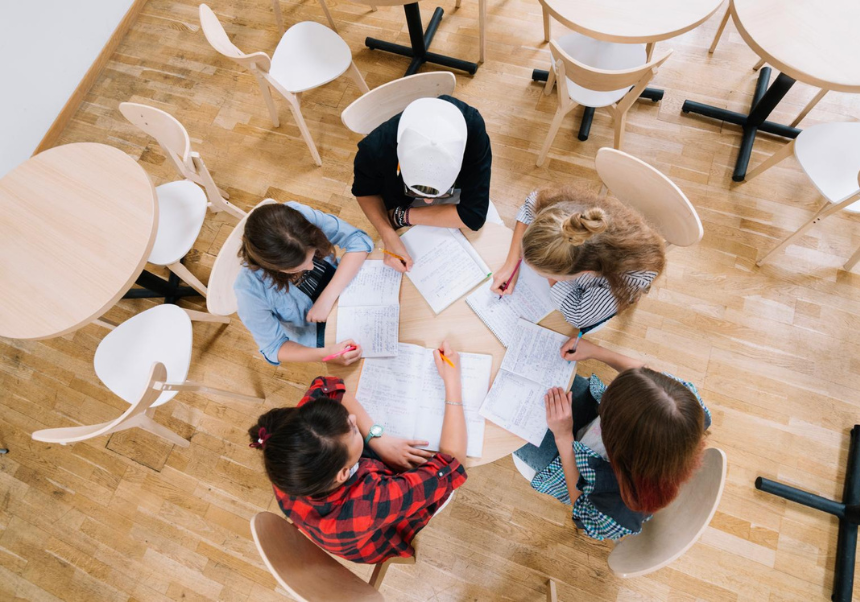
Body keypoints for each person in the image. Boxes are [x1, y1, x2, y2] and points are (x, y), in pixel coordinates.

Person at [248, 341, 468, 564]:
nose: (353, 418)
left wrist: (377, 438)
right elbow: (452, 464)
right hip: (375, 537)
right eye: (353, 429)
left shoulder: (287, 451)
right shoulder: (369, 503)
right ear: (343, 474)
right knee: (440, 485)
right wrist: (452, 383)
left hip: (328, 517)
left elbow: (328, 389)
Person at [515, 339, 711, 541]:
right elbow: (647, 378)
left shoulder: (619, 509)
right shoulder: (687, 408)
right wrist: (596, 352)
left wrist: (563, 437)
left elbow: (583, 509)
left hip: (568, 463)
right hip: (585, 435)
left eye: (607, 411)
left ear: (616, 440)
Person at [490, 186, 665, 337]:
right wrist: (511, 263)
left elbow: (578, 315)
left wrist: (550, 275)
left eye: (544, 274)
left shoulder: (630, 276)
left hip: (628, 271)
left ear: (585, 272)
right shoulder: (563, 213)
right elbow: (531, 202)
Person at [352, 96, 493, 273]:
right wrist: (388, 235)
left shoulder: (471, 126)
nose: (428, 202)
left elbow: (474, 215)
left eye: (441, 193)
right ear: (399, 164)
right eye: (414, 190)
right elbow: (365, 192)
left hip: (401, 213)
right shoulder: (374, 149)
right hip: (396, 202)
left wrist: (402, 216)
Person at [234, 201, 372, 366]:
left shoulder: (298, 220)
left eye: (314, 255)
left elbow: (357, 239)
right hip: (318, 327)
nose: (311, 267)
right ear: (273, 267)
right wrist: (326, 354)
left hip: (344, 282)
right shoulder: (250, 291)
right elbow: (274, 347)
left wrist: (327, 297)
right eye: (295, 269)